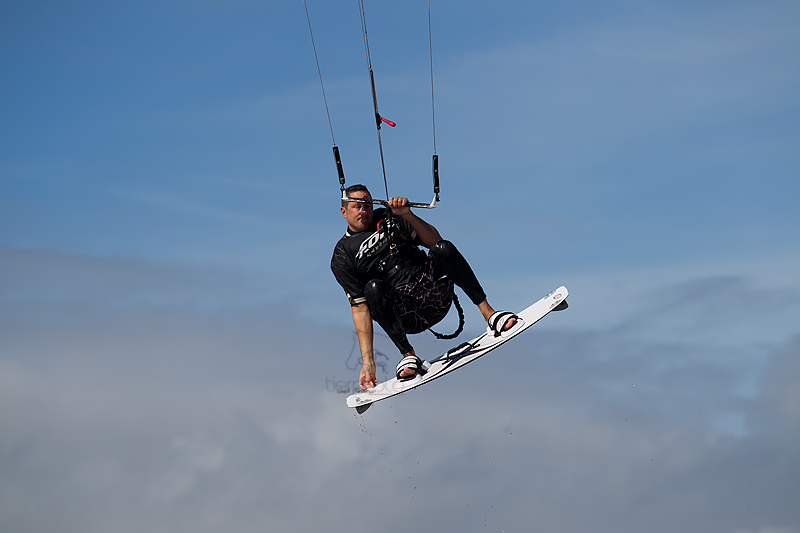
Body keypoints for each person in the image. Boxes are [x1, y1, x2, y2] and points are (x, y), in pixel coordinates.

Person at [331, 184, 518, 390]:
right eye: (356, 206)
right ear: (344, 212)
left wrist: (407, 215)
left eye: (367, 204)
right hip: (405, 315)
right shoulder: (342, 255)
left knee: (442, 248)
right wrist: (368, 361)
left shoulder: (389, 216)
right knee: (373, 288)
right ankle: (409, 356)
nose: (363, 210)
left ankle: (489, 314)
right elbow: (359, 308)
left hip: (434, 293)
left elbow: (435, 240)